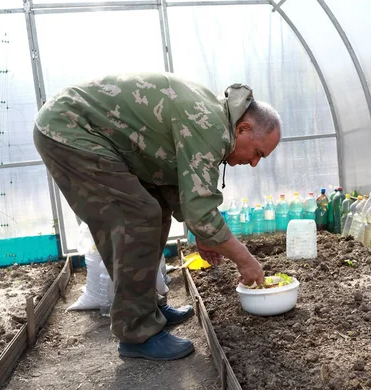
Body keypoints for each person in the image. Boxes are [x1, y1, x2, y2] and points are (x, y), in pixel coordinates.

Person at [33, 72, 281, 361]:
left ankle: (147, 307)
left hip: (96, 135)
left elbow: (176, 182)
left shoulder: (214, 117)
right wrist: (246, 260)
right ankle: (137, 333)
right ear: (244, 129)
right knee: (136, 217)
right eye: (258, 153)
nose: (253, 163)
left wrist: (204, 233)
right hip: (69, 129)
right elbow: (199, 208)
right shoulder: (210, 125)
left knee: (156, 207)